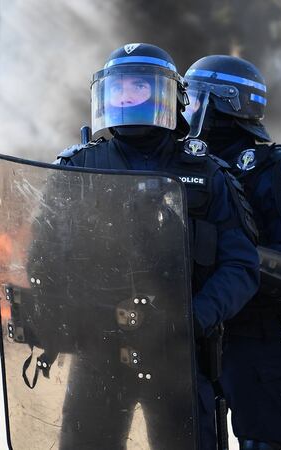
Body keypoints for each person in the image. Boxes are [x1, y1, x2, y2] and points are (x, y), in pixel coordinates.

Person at [55, 43, 260, 449]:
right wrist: (65, 317)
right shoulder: (78, 168)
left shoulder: (206, 172)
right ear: (103, 97)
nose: (128, 97)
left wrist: (189, 321)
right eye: (119, 89)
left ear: (171, 97)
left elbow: (241, 267)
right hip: (98, 353)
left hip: (178, 354)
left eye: (140, 88)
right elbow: (45, 257)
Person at [183, 55, 281, 450]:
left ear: (224, 102)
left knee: (262, 440)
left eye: (192, 99)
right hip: (191, 330)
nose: (183, 109)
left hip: (251, 332)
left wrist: (225, 262)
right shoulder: (179, 161)